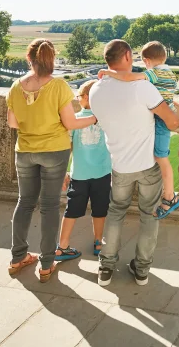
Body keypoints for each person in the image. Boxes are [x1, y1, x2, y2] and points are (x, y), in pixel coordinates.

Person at [90, 39, 179, 287]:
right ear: (128, 57)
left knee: (115, 214)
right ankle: (141, 271)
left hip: (119, 165)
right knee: (149, 216)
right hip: (147, 165)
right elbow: (172, 123)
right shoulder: (142, 87)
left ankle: (105, 268)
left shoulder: (95, 89)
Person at [6, 39, 97, 282]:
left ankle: (17, 258)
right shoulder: (58, 86)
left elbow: (13, 123)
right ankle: (46, 264)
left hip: (25, 151)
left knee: (24, 203)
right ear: (52, 59)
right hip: (54, 152)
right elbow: (71, 123)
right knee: (48, 207)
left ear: (29, 59)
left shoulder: (16, 87)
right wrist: (95, 119)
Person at [98, 40, 179, 218]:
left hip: (160, 120)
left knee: (161, 157)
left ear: (147, 60)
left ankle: (169, 197)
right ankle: (169, 196)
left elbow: (129, 78)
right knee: (160, 157)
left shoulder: (154, 73)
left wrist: (108, 73)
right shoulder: (170, 73)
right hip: (164, 115)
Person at [55, 79, 112, 262]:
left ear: (86, 97)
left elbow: (66, 147)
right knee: (100, 209)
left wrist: (63, 171)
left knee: (71, 211)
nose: (77, 99)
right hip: (103, 172)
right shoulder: (106, 118)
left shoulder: (74, 120)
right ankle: (97, 242)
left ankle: (62, 245)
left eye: (79, 96)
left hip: (79, 174)